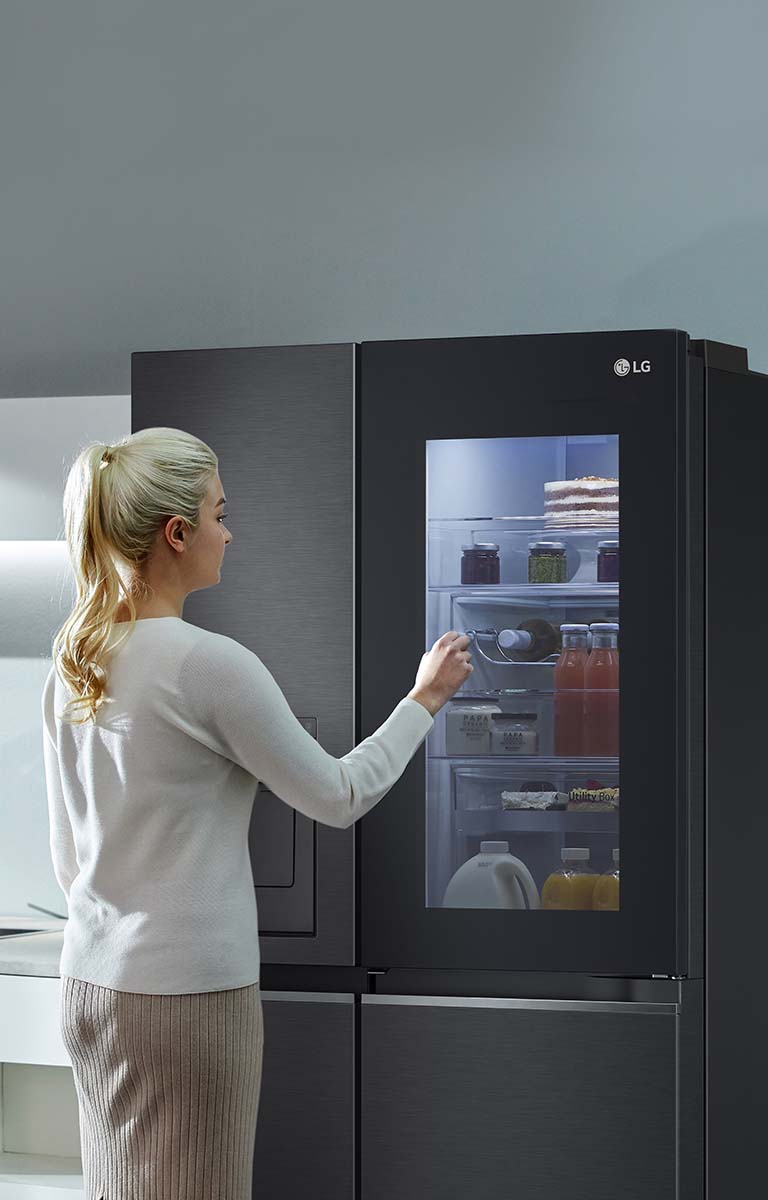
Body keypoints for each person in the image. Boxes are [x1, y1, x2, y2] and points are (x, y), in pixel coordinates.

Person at [41, 426, 472, 1200]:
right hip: (188, 1001)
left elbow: (69, 860)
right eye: (218, 513)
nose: (228, 533)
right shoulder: (207, 665)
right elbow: (338, 795)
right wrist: (425, 697)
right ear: (177, 535)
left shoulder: (77, 659)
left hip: (91, 991)